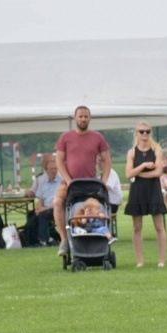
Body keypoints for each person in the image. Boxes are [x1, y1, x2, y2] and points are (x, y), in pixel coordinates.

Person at [53, 106, 111, 257]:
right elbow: (59, 160)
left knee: (98, 207)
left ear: (89, 118)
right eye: (81, 116)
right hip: (70, 182)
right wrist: (68, 179)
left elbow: (107, 160)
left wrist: (103, 180)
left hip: (91, 183)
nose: (83, 119)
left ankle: (99, 237)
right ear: (75, 118)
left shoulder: (98, 137)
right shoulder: (65, 137)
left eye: (86, 116)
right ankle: (64, 241)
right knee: (57, 202)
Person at [124, 121, 167, 268]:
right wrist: (143, 166)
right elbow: (128, 173)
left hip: (153, 190)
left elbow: (158, 172)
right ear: (136, 133)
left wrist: (138, 173)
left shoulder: (156, 149)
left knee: (159, 226)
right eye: (141, 131)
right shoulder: (132, 152)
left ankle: (161, 260)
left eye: (147, 131)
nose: (144, 134)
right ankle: (140, 261)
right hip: (137, 191)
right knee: (137, 227)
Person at [24, 158, 60, 247]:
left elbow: (60, 201)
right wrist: (39, 208)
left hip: (56, 208)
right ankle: (48, 239)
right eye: (51, 169)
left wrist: (43, 209)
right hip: (45, 208)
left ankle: (43, 241)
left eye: (55, 169)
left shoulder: (61, 181)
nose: (54, 171)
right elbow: (41, 199)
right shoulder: (42, 181)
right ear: (46, 171)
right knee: (30, 223)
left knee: (42, 215)